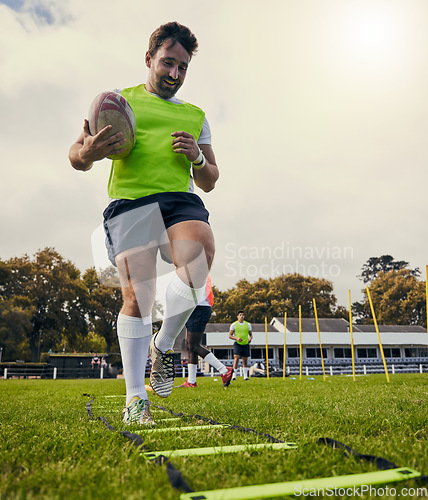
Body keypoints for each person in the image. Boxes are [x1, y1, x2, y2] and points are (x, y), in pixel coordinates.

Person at [69, 22, 219, 425]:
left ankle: (164, 342)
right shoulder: (116, 102)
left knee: (200, 254)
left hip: (179, 201)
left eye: (182, 68)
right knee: (137, 296)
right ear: (149, 58)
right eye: (168, 63)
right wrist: (89, 151)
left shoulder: (195, 115)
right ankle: (136, 398)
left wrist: (198, 158)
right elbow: (76, 157)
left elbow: (211, 180)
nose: (174, 74)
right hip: (130, 203)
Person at [176, 276, 233, 389]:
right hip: (196, 308)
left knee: (194, 346)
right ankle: (191, 382)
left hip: (198, 308)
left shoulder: (194, 267)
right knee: (190, 346)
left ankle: (225, 370)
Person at [229, 311, 253, 381]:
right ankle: (234, 376)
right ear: (237, 316)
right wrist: (237, 338)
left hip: (245, 344)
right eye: (240, 315)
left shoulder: (248, 324)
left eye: (243, 315)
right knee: (236, 359)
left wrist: (250, 339)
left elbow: (251, 334)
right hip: (237, 344)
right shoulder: (234, 324)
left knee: (245, 361)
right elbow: (230, 335)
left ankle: (245, 376)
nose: (242, 316)